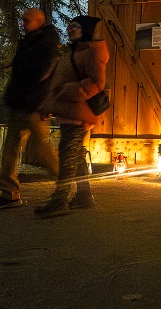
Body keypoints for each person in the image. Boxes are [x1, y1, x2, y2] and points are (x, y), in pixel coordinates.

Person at [0, 8, 60, 211]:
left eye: (27, 20)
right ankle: (9, 193)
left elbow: (42, 73)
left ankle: (65, 189)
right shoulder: (29, 41)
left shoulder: (47, 42)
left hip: (34, 105)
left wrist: (38, 99)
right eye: (22, 19)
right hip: (21, 103)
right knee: (10, 150)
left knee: (42, 150)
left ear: (39, 21)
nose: (23, 23)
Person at [34, 15, 109, 219]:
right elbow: (57, 83)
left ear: (85, 30)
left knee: (67, 158)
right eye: (69, 26)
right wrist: (49, 104)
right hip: (69, 112)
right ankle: (84, 197)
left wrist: (71, 91)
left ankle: (60, 200)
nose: (70, 29)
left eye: (76, 27)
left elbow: (97, 82)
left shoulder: (92, 52)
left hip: (78, 113)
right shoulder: (72, 53)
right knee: (75, 157)